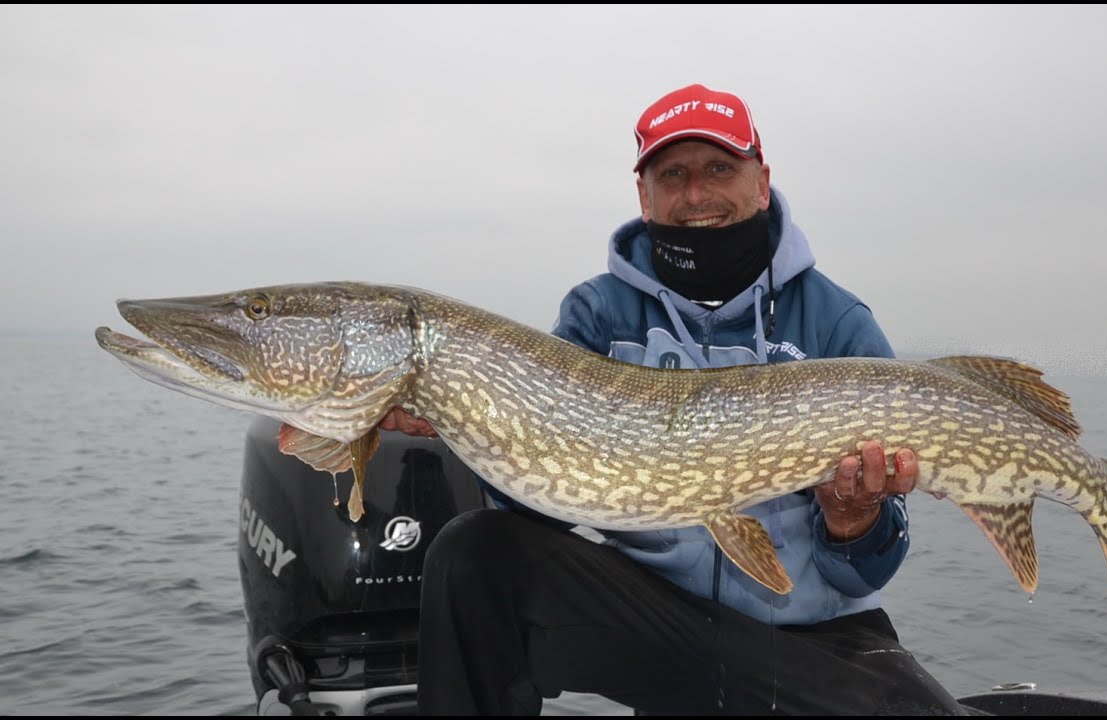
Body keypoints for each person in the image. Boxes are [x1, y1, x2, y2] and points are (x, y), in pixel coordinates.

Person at [380, 83, 964, 715]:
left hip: (817, 639)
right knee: (473, 553)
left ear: (761, 181)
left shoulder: (837, 323)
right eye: (673, 174)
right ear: (645, 195)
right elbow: (536, 515)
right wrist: (469, 425)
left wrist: (856, 522)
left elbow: (868, 572)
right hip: (657, 625)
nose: (696, 195)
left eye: (718, 168)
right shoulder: (600, 313)